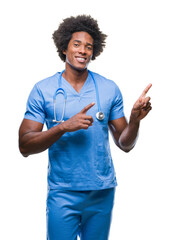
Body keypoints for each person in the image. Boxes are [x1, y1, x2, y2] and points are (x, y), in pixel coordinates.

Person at [19, 15, 152, 240]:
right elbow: (24, 146)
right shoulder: (43, 90)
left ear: (94, 52)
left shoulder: (109, 88)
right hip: (62, 192)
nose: (83, 51)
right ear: (64, 48)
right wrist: (63, 127)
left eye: (88, 47)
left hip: (101, 192)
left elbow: (125, 144)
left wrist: (135, 119)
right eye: (77, 44)